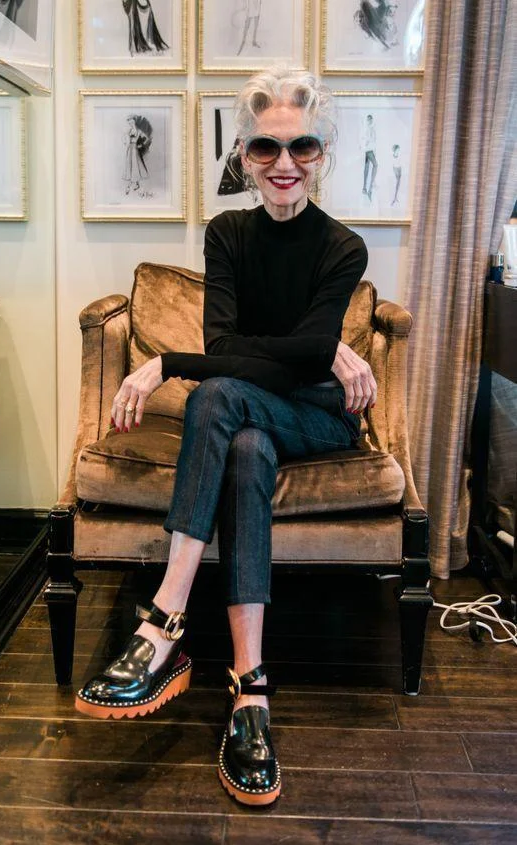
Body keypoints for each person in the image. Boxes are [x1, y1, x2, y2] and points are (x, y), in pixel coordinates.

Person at [76, 67, 376, 807]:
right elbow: (237, 345)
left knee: (215, 391)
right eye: (266, 147)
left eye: (302, 146)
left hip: (318, 415)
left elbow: (268, 358)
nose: (284, 162)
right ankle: (250, 687)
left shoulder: (343, 248)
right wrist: (309, 349)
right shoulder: (228, 234)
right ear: (244, 154)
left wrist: (174, 362)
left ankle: (163, 623)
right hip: (256, 411)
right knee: (237, 434)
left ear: (323, 153)